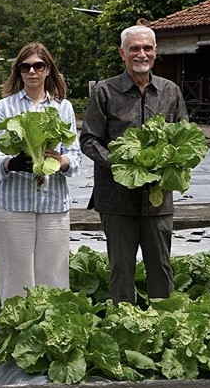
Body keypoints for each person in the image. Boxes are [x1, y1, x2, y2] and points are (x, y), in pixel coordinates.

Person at [79, 24, 188, 305]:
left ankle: (164, 324)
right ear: (122, 53)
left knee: (161, 268)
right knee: (121, 268)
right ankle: (124, 326)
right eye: (135, 49)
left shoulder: (170, 91)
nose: (141, 54)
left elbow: (184, 137)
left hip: (158, 197)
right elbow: (89, 140)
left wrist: (164, 165)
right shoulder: (105, 91)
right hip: (116, 198)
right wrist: (125, 168)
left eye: (147, 48)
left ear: (155, 52)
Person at [0, 43, 80, 301]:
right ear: (18, 71)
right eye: (25, 66)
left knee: (53, 275)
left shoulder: (63, 108)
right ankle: (17, 329)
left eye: (38, 66)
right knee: (15, 276)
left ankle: (49, 332)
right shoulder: (4, 107)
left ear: (48, 70)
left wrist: (59, 161)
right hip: (13, 204)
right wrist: (12, 163)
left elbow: (75, 156)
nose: (32, 72)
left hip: (53, 203)